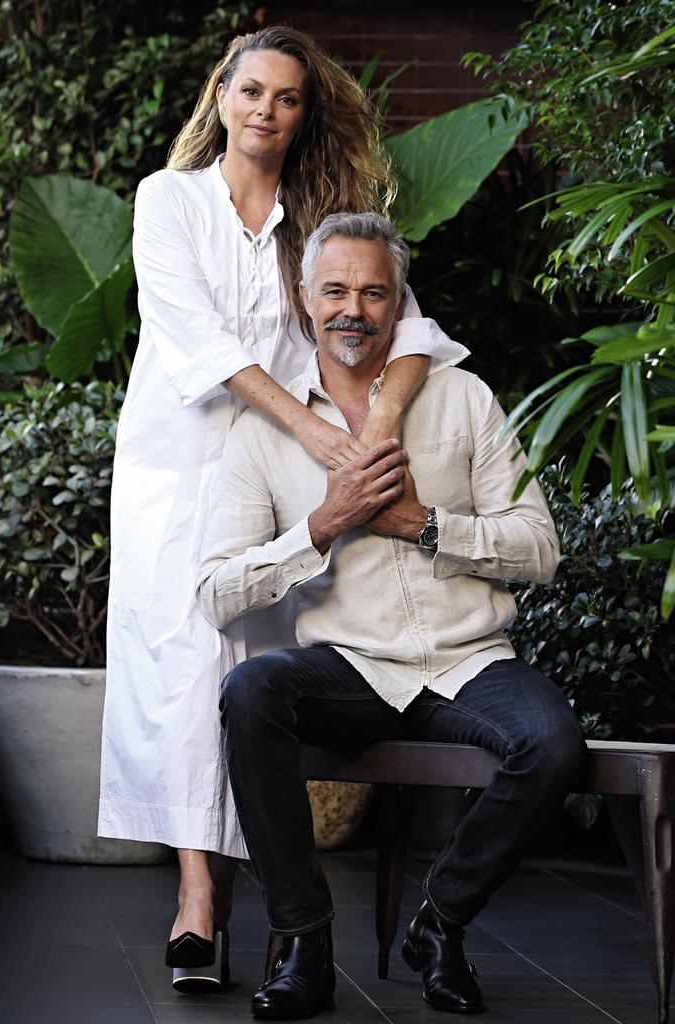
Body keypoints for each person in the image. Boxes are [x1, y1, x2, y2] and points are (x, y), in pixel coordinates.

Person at [98, 26, 468, 992]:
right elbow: (203, 344)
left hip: (290, 477)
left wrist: (377, 419)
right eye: (251, 90)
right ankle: (198, 904)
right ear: (221, 94)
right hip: (179, 469)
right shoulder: (167, 201)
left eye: (288, 98)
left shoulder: (321, 215)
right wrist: (320, 437)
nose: (266, 110)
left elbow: (411, 325)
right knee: (185, 672)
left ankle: (283, 911)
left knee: (266, 673)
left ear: (306, 114)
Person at [196, 212, 587, 1018]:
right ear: (305, 299)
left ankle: (440, 921)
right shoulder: (263, 432)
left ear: (398, 300)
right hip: (350, 662)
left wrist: (426, 523)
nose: (353, 309)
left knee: (552, 743)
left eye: (374, 293)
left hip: (469, 657)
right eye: (335, 290)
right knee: (252, 693)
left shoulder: (461, 397)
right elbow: (216, 591)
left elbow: (540, 547)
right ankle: (304, 942)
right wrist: (322, 525)